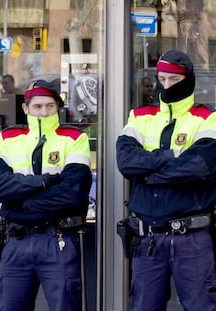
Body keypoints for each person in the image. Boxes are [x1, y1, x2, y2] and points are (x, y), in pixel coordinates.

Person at [116, 50, 216, 310]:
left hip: (192, 238)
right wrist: (172, 156)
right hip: (147, 238)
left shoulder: (208, 117)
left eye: (174, 79)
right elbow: (126, 162)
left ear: (189, 79)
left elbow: (199, 167)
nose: (167, 85)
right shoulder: (139, 116)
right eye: (162, 79)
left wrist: (148, 174)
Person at [0, 79, 92, 310]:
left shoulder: (75, 139)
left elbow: (72, 195)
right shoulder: (8, 139)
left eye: (49, 106)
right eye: (37, 107)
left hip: (57, 240)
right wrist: (45, 181)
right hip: (17, 242)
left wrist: (18, 203)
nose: (44, 112)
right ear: (26, 109)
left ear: (57, 107)